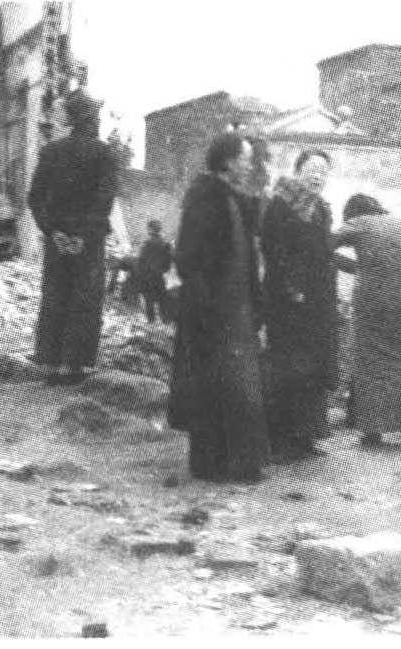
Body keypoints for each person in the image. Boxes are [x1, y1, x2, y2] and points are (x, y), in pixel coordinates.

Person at [168, 133, 269, 483]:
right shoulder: (205, 198)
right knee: (215, 385)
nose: (250, 166)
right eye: (245, 159)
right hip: (212, 312)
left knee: (236, 384)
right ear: (227, 162)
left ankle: (235, 462)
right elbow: (188, 260)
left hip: (235, 308)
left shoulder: (231, 198)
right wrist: (208, 308)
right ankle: (213, 465)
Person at [27, 90, 119, 386]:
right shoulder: (105, 154)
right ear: (90, 118)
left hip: (57, 241)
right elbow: (104, 201)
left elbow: (34, 198)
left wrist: (53, 233)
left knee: (55, 296)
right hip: (88, 243)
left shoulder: (51, 152)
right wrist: (83, 237)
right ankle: (75, 367)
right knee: (85, 299)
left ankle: (51, 365)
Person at [333, 193, 401, 448]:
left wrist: (355, 267)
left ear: (353, 212)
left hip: (372, 300)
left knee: (371, 362)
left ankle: (373, 431)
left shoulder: (357, 223)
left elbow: (323, 244)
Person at [262, 149, 338, 461]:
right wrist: (292, 288)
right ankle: (280, 441)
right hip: (288, 302)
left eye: (323, 170)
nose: (318, 175)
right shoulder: (281, 203)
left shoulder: (321, 207)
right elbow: (273, 248)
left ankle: (306, 436)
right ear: (298, 171)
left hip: (317, 301)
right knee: (287, 367)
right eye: (312, 169)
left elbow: (323, 252)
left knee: (313, 367)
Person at [136, 219, 172, 323]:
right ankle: (165, 321)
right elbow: (169, 261)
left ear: (150, 230)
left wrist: (141, 274)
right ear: (159, 230)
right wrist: (163, 270)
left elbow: (140, 261)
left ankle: (151, 321)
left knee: (148, 299)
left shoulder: (146, 244)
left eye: (148, 228)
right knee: (162, 299)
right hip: (160, 276)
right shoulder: (166, 244)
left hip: (148, 276)